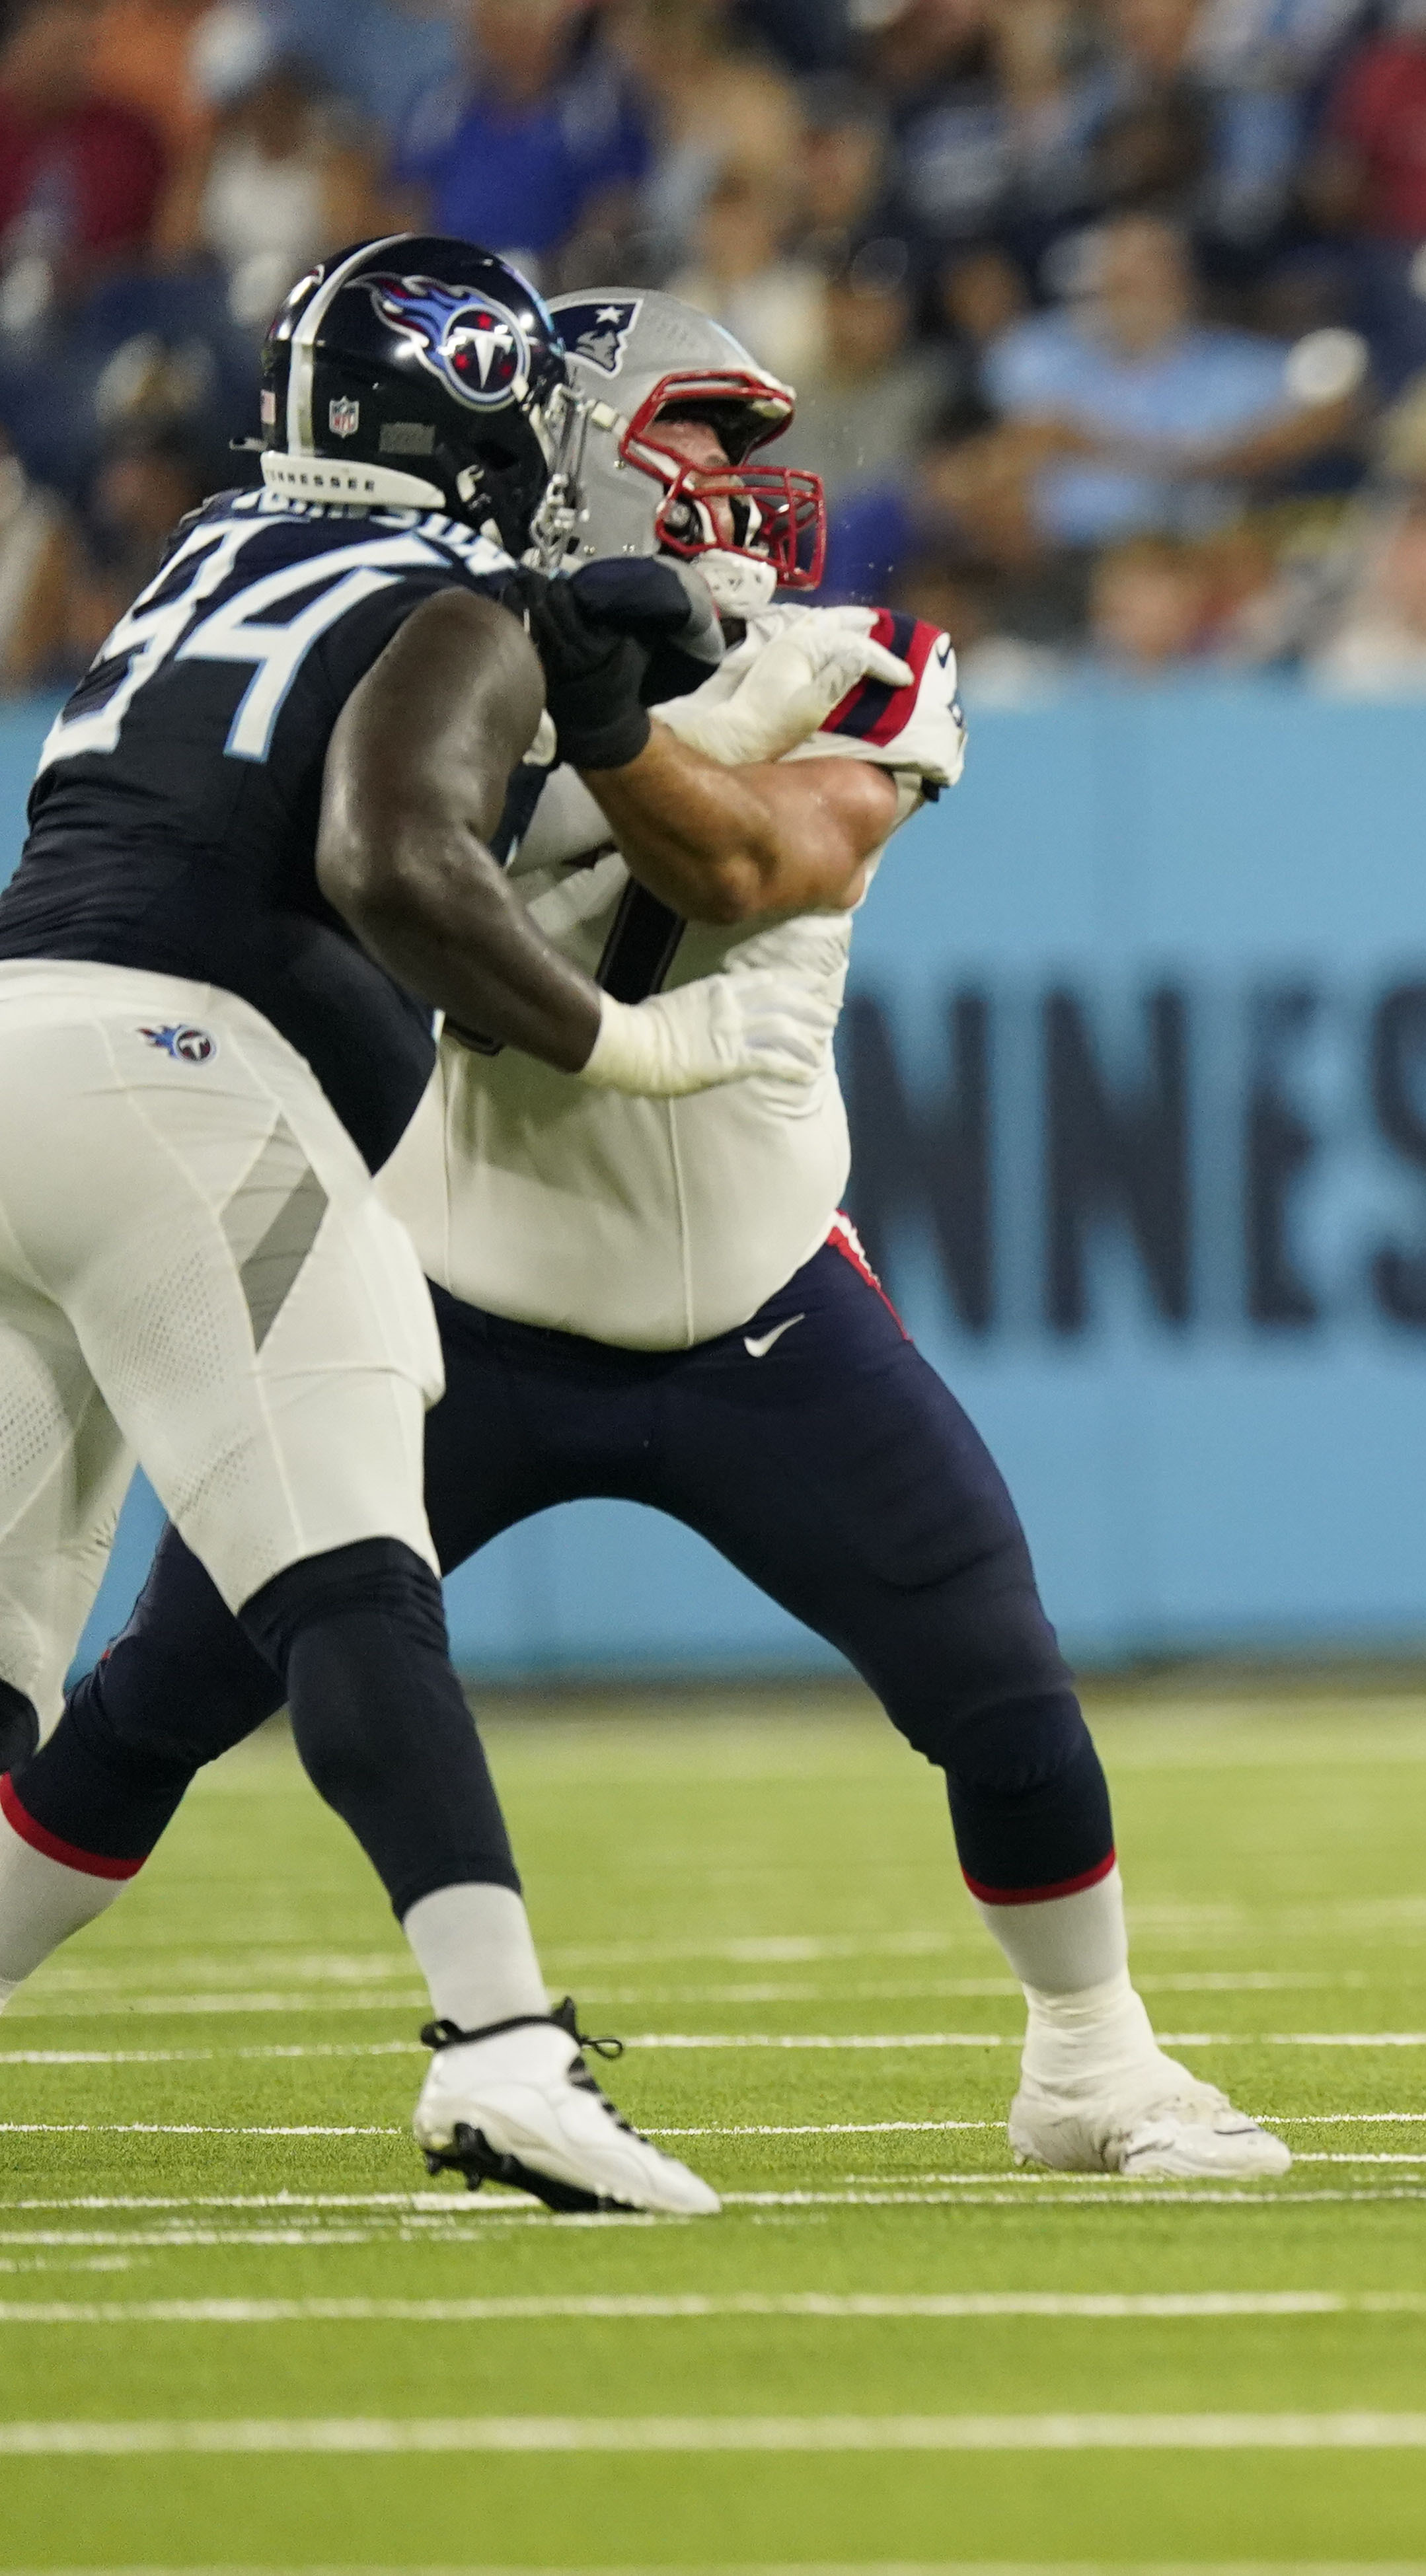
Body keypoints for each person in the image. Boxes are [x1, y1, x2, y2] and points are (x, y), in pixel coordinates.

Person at [3, 290, 1291, 2183]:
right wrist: (560, 694)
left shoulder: (856, 655)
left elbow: (768, 860)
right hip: (457, 1274)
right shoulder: (451, 638)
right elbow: (365, 849)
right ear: (577, 446)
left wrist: (603, 712)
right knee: (156, 1706)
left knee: (1002, 1688)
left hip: (753, 1295)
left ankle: (1092, 2061)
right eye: (701, 438)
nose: (747, 486)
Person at [0, 237, 831, 2215]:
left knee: (22, 1651)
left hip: (22, 1052)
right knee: (354, 1571)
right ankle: (501, 2044)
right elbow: (391, 852)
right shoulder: (449, 595)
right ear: (463, 399)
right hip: (180, 1086)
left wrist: (587, 672)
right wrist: (618, 1045)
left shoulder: (199, 564)